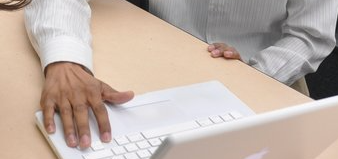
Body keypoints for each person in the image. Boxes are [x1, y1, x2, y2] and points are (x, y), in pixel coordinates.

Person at [24, 0, 338, 149]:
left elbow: (310, 35)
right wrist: (65, 59)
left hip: (270, 75)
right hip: (160, 64)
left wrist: (256, 73)